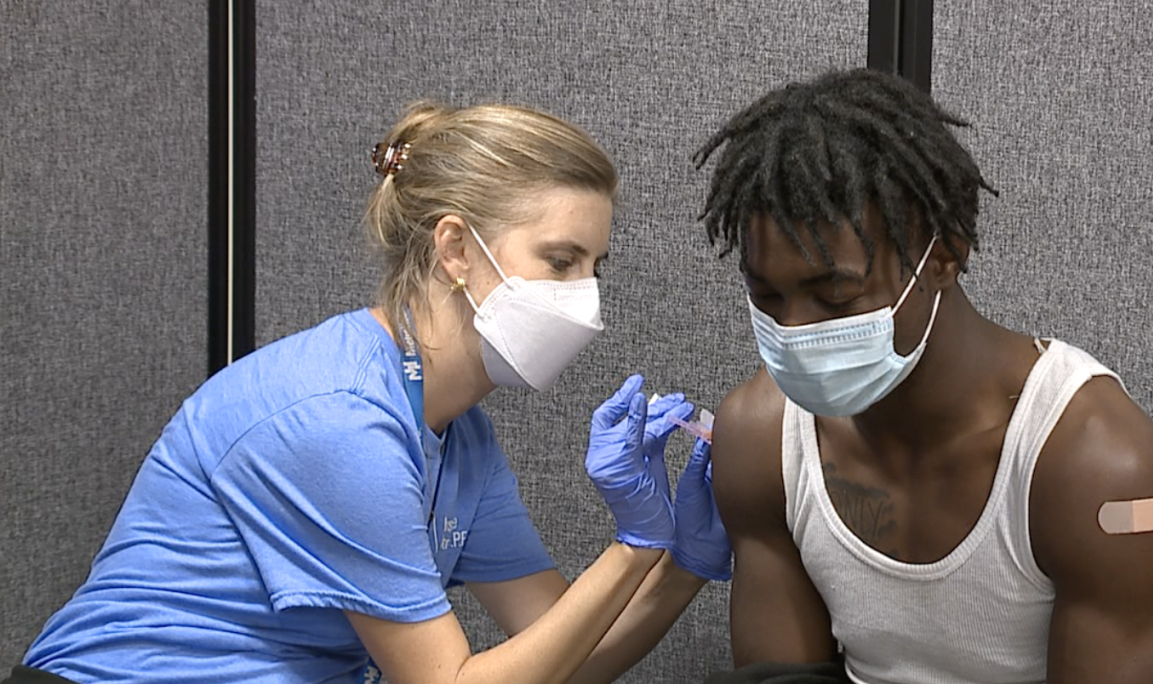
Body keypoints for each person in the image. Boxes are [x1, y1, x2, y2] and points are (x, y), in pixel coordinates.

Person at [11, 101, 732, 684]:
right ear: (455, 250)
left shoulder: (459, 434)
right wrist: (634, 546)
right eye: (560, 261)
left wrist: (681, 562)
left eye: (594, 267)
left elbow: (561, 656)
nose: (587, 299)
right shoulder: (339, 417)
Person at [692, 69, 1153, 684]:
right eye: (767, 296)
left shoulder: (1099, 467)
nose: (794, 330)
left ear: (946, 255)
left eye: (837, 296)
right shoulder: (762, 435)